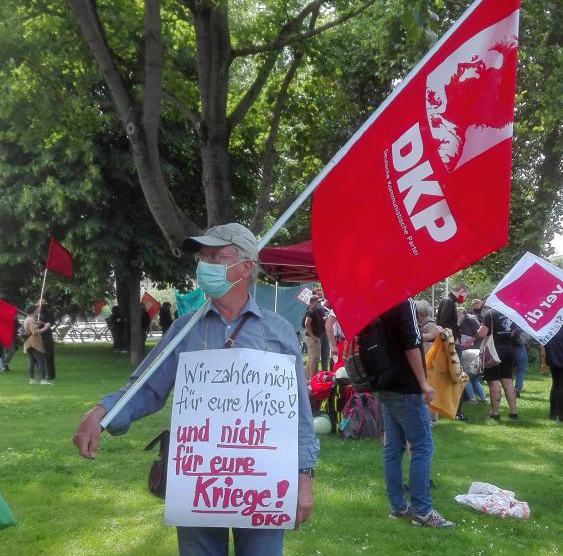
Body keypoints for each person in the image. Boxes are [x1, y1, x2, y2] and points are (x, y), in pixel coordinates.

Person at [73, 223, 318, 556]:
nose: (205, 264)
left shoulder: (278, 332)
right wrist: (102, 412)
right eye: (202, 256)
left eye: (216, 256)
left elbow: (301, 414)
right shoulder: (183, 330)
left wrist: (304, 476)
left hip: (264, 482)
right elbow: (144, 389)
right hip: (198, 483)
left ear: (245, 267)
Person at [376, 299, 454, 528]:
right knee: (422, 446)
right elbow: (411, 345)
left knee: (394, 447)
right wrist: (423, 383)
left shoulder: (378, 303)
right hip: (405, 386)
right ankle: (422, 511)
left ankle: (398, 507)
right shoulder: (403, 303)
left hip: (384, 382)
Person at [477, 306, 517, 420]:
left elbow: (482, 333)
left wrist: (476, 332)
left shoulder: (490, 314)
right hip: (509, 349)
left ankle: (495, 413)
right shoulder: (511, 312)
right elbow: (513, 333)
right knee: (508, 382)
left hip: (494, 350)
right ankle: (513, 412)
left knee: (494, 383)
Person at [437, 283, 470, 420]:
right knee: (458, 377)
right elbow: (444, 323)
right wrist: (453, 339)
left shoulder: (448, 301)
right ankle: (457, 412)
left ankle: (453, 409)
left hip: (451, 344)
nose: (465, 298)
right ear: (462, 291)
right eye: (466, 295)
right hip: (452, 346)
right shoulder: (450, 302)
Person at [457, 307, 486, 403]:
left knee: (465, 378)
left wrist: (471, 341)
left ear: (464, 313)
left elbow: (479, 333)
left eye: (459, 313)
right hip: (476, 355)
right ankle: (483, 397)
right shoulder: (459, 323)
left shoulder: (472, 320)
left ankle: (472, 399)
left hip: (475, 354)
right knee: (474, 379)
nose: (458, 315)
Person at [23, 305, 52, 385]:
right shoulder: (31, 319)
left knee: (31, 362)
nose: (37, 311)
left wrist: (38, 324)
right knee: (41, 362)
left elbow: (31, 329)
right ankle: (43, 380)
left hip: (28, 343)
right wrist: (46, 327)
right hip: (34, 343)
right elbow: (35, 332)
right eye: (36, 310)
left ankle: (31, 380)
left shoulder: (27, 319)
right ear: (33, 311)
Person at [545, 326, 563, 421]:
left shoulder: (551, 328)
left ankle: (553, 413)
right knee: (560, 387)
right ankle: (561, 415)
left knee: (555, 385)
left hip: (553, 359)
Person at [303, 295, 324, 380]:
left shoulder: (315, 311)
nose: (319, 303)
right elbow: (307, 323)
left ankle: (308, 379)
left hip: (313, 337)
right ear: (312, 303)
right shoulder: (311, 311)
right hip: (313, 338)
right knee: (315, 359)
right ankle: (311, 380)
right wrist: (312, 336)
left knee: (311, 359)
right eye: (317, 301)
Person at [37, 298, 56, 380]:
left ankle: (51, 375)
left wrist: (48, 324)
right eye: (40, 304)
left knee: (49, 357)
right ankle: (41, 374)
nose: (41, 305)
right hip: (38, 337)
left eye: (43, 304)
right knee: (38, 358)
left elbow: (52, 322)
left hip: (47, 337)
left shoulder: (48, 313)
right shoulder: (35, 313)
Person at [512, 326, 529, 398]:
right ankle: (517, 389)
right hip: (520, 348)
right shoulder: (522, 322)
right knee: (521, 370)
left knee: (509, 370)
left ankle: (509, 389)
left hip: (509, 347)